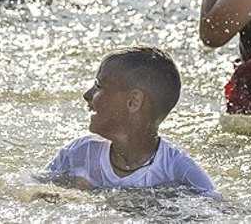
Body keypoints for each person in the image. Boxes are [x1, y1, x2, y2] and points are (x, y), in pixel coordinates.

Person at [45, 47, 217, 195]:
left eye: (98, 85)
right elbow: (28, 191)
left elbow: (221, 212)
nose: (87, 95)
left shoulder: (178, 171)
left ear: (133, 101)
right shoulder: (79, 152)